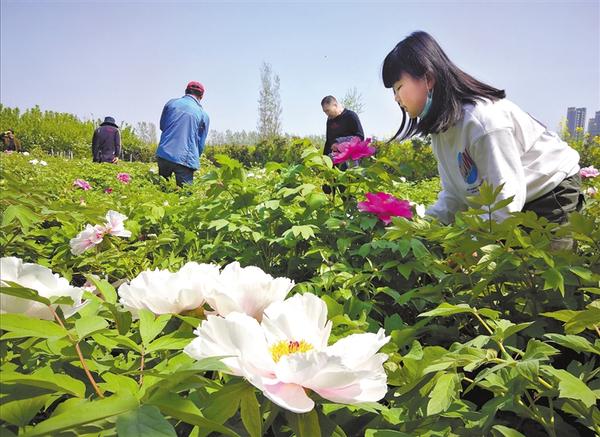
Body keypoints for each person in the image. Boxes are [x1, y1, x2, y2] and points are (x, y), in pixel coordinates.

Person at [382, 31, 582, 233]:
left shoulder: (482, 122)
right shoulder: (441, 132)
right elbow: (453, 196)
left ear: (429, 78)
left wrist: (470, 244)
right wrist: (421, 230)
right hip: (514, 201)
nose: (396, 98)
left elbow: (505, 205)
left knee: (542, 254)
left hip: (552, 191)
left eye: (399, 87)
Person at [156, 81, 210, 186]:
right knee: (185, 194)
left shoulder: (171, 103)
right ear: (201, 96)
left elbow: (162, 126)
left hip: (164, 154)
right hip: (185, 160)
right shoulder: (203, 115)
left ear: (186, 91)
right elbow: (200, 143)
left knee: (162, 189)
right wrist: (194, 158)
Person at [321, 95, 365, 194]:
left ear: (335, 105)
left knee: (346, 190)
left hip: (350, 158)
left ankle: (350, 202)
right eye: (324, 112)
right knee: (327, 188)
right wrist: (324, 159)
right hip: (335, 158)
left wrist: (340, 143)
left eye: (328, 110)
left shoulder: (351, 116)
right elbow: (328, 141)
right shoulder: (330, 120)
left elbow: (360, 137)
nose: (326, 114)